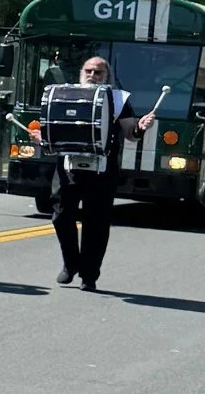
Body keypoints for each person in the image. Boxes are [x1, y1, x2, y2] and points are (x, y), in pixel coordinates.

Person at [45, 54, 165, 292]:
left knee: (96, 222)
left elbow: (130, 133)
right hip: (68, 165)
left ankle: (89, 275)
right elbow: (54, 124)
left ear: (106, 75)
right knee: (61, 216)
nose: (92, 76)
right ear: (81, 72)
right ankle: (71, 263)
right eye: (88, 71)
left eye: (98, 72)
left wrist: (141, 127)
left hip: (102, 168)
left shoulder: (119, 99)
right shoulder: (66, 93)